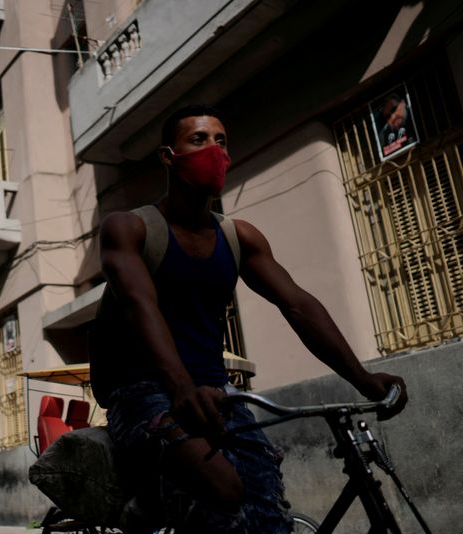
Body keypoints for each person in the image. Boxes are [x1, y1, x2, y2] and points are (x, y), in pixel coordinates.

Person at [89, 104, 408, 532]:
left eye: (221, 141)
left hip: (217, 392)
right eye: (199, 140)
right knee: (223, 489)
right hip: (141, 393)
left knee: (265, 503)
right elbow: (139, 304)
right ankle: (147, 502)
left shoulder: (239, 237)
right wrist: (181, 390)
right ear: (168, 156)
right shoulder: (130, 228)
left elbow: (298, 304)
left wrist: (363, 378)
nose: (214, 150)